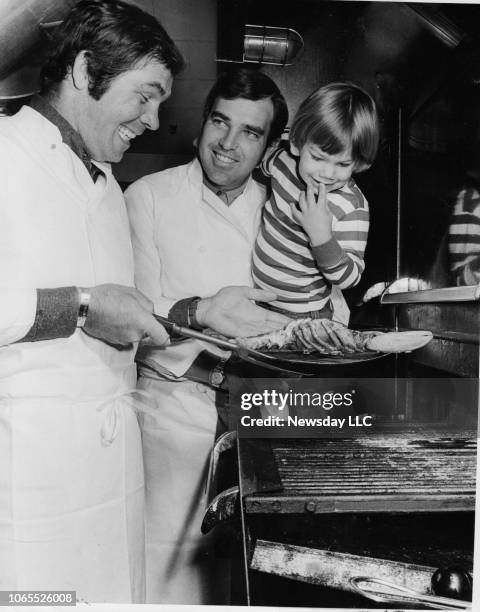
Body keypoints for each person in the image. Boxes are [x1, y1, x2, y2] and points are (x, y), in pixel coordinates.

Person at [0, 3, 285, 603]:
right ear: (83, 70)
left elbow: (123, 316)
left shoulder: (104, 184)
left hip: (112, 475)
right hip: (29, 481)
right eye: (147, 96)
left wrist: (194, 312)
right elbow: (89, 307)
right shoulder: (5, 155)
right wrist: (77, 305)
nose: (156, 121)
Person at [125, 67, 289, 604]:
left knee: (251, 577)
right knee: (164, 577)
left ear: (268, 147)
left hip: (265, 413)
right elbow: (135, 315)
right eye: (221, 121)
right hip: (173, 411)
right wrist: (204, 312)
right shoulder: (147, 196)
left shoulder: (283, 213)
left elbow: (320, 304)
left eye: (250, 132)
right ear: (202, 124)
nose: (227, 143)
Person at [252, 82, 380, 324]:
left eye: (343, 164)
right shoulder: (283, 162)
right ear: (297, 144)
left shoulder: (352, 207)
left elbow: (350, 279)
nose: (328, 173)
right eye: (319, 158)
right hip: (259, 299)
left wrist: (322, 237)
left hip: (305, 314)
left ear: (358, 163)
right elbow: (256, 160)